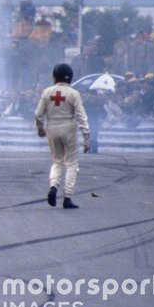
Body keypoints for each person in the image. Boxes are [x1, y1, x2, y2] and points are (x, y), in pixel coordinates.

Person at [34, 63, 91, 209]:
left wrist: (40, 128)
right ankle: (67, 197)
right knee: (71, 163)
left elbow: (38, 114)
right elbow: (81, 115)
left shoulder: (47, 92)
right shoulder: (73, 93)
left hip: (52, 127)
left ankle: (53, 186)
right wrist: (86, 136)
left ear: (54, 76)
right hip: (68, 127)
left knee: (57, 161)